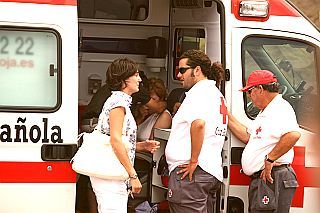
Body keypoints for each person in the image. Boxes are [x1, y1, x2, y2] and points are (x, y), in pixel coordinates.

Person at [227, 70, 301, 213]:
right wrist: (226, 115)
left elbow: (293, 135)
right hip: (267, 178)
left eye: (249, 91)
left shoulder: (280, 108)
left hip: (273, 176)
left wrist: (270, 159)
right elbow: (247, 136)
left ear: (260, 89)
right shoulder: (266, 111)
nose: (249, 96)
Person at [165, 49, 227, 213]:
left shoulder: (199, 93)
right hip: (207, 171)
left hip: (192, 174)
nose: (179, 75)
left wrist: (193, 161)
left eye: (183, 70)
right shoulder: (215, 93)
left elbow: (198, 124)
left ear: (197, 70)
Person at [89, 58, 143, 213]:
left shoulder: (118, 101)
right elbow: (115, 140)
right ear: (124, 79)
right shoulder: (118, 103)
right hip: (111, 175)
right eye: (136, 75)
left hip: (111, 173)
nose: (139, 79)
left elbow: (114, 139)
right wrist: (133, 175)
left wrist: (139, 146)